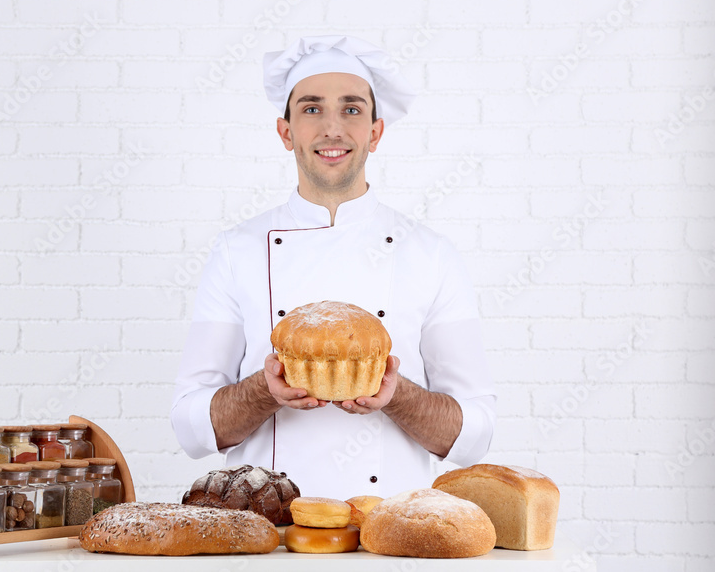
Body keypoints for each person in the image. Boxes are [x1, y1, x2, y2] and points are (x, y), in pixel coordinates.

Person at [170, 35, 495, 499]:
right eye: (311, 108)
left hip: (387, 532)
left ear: (375, 132)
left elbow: (474, 434)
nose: (332, 128)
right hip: (268, 536)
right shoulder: (235, 251)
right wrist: (266, 389)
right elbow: (190, 426)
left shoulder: (430, 254)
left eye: (351, 109)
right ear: (285, 132)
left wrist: (397, 393)